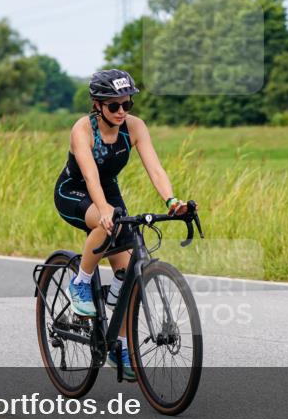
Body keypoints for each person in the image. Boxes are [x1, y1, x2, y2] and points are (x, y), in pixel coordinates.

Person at [53, 69, 191, 381]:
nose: (121, 112)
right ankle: (80, 283)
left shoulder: (135, 127)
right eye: (113, 106)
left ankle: (120, 344)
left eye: (126, 105)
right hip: (74, 191)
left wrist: (172, 201)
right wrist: (102, 210)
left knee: (127, 272)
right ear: (97, 105)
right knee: (106, 225)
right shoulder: (83, 130)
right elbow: (89, 176)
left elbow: (155, 168)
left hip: (109, 192)